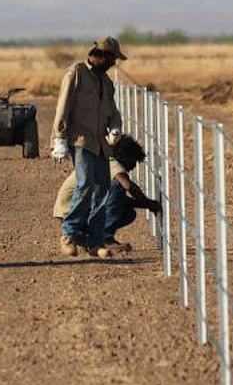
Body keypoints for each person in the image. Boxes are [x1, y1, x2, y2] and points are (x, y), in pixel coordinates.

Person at [51, 36, 126, 257]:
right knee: (84, 184)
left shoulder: (107, 83)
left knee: (102, 190)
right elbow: (63, 105)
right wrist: (59, 137)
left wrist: (115, 128)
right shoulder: (76, 73)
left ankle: (95, 242)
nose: (114, 63)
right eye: (112, 59)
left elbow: (113, 112)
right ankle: (69, 234)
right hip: (80, 140)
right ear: (102, 55)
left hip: (102, 144)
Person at [52, 134, 161, 254]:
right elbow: (128, 186)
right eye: (133, 161)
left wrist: (146, 205)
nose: (134, 166)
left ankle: (87, 237)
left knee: (128, 211)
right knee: (118, 186)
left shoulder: (104, 161)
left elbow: (118, 200)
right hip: (71, 212)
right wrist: (148, 203)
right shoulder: (110, 162)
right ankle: (104, 238)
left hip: (73, 210)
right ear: (125, 156)